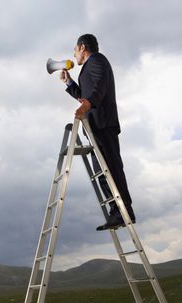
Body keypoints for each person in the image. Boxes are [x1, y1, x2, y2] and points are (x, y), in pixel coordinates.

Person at [60, 33, 136, 231]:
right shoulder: (88, 68)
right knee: (102, 171)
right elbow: (88, 96)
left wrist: (87, 105)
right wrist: (70, 84)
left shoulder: (97, 61)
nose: (74, 54)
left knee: (111, 167)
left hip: (103, 124)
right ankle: (116, 211)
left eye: (75, 50)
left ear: (82, 47)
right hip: (96, 127)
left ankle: (124, 211)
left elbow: (99, 88)